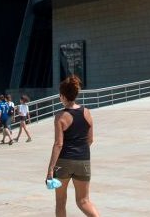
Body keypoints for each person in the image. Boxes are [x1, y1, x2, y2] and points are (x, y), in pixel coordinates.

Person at [46, 75, 100, 217]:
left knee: (61, 202)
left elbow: (58, 144)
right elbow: (91, 140)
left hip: (64, 161)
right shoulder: (87, 112)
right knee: (83, 201)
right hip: (83, 161)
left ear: (63, 96)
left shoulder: (60, 117)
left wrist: (50, 169)